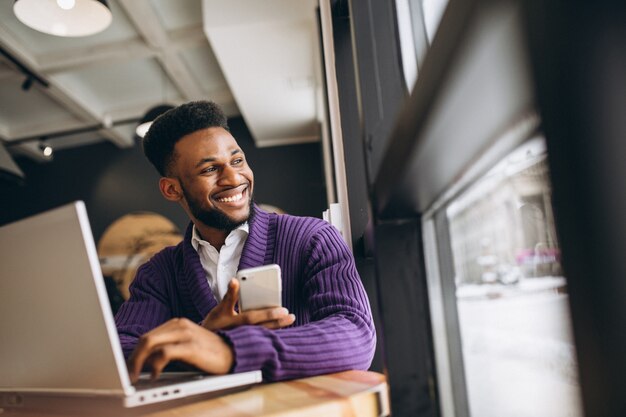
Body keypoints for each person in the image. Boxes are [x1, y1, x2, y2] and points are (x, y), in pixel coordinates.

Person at [115, 100, 376, 382]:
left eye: (237, 161)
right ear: (172, 189)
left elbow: (356, 334)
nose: (234, 177)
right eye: (209, 170)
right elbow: (119, 354)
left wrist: (229, 350)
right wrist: (204, 335)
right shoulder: (159, 272)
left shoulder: (313, 238)